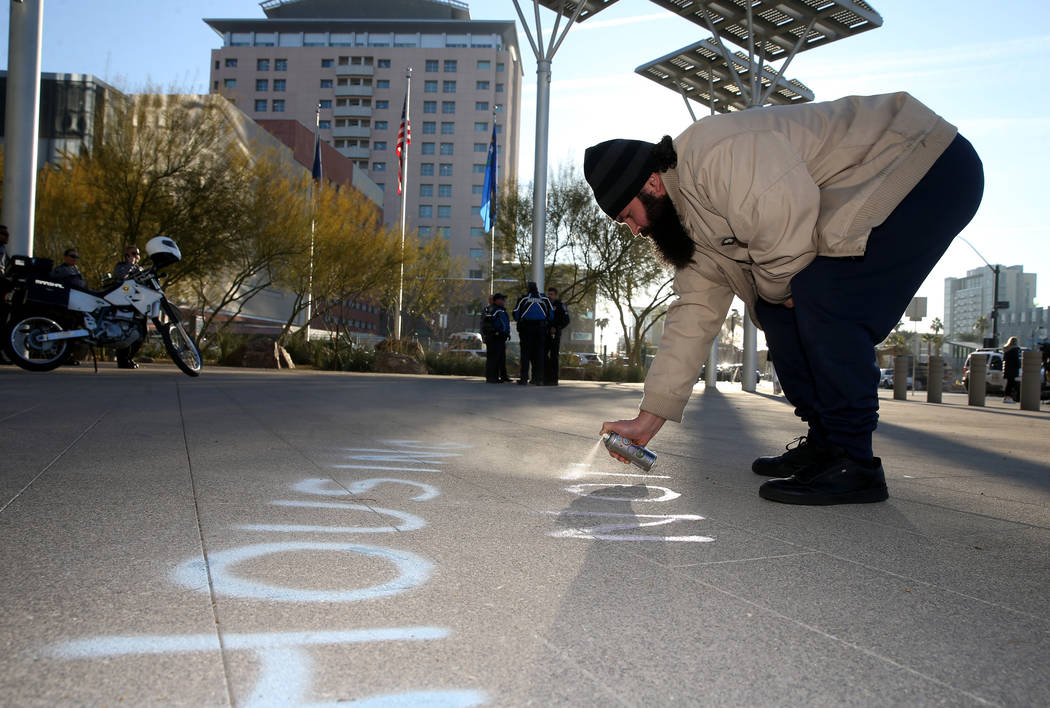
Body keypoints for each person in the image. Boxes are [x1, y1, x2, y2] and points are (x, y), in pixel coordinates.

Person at [584, 92, 983, 506]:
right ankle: (827, 443)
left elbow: (788, 238)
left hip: (923, 164)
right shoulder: (689, 227)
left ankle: (854, 462)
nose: (633, 230)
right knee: (779, 306)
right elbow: (692, 317)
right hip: (877, 184)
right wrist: (649, 419)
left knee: (821, 293)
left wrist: (783, 294)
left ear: (650, 183)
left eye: (628, 215)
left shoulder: (715, 154)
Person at [513, 281, 552, 385]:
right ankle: (538, 379)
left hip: (526, 329)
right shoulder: (544, 299)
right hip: (540, 329)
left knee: (525, 354)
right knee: (539, 354)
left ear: (528, 289)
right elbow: (551, 315)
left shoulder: (523, 299)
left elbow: (516, 315)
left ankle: (524, 378)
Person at [112, 245, 144, 369]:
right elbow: (122, 279)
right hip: (124, 304)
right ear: (126, 255)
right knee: (126, 332)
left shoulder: (140, 268)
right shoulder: (121, 267)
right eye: (133, 253)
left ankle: (129, 358)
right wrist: (130, 265)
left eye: (137, 253)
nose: (136, 256)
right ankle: (123, 360)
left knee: (141, 334)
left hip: (138, 304)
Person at [544, 286, 571, 386]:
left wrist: (557, 328)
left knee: (554, 356)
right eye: (549, 294)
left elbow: (566, 320)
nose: (550, 296)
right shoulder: (545, 305)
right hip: (545, 334)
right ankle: (546, 377)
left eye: (551, 294)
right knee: (543, 355)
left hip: (555, 334)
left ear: (556, 295)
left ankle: (554, 379)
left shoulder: (560, 305)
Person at [483, 293, 511, 384]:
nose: (504, 301)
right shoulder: (494, 310)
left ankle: (500, 376)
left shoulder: (500, 310)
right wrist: (495, 332)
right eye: (502, 299)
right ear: (497, 300)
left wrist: (506, 333)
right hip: (495, 337)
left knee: (500, 357)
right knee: (493, 358)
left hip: (500, 337)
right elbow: (488, 323)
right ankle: (492, 377)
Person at [1001, 336, 1021, 404]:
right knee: (1011, 384)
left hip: (1007, 369)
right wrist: (1019, 366)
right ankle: (1008, 397)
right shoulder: (1015, 350)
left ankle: (1007, 397)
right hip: (1013, 369)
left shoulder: (1006, 349)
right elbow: (1016, 360)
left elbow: (1004, 359)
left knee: (1009, 383)